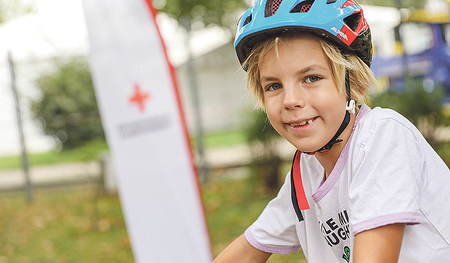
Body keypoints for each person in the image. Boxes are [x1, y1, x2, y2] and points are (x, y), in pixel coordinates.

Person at [213, 0, 450, 262]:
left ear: (354, 84)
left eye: (311, 78)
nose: (290, 100)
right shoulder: (304, 175)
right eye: (273, 86)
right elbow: (247, 251)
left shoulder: (382, 136)